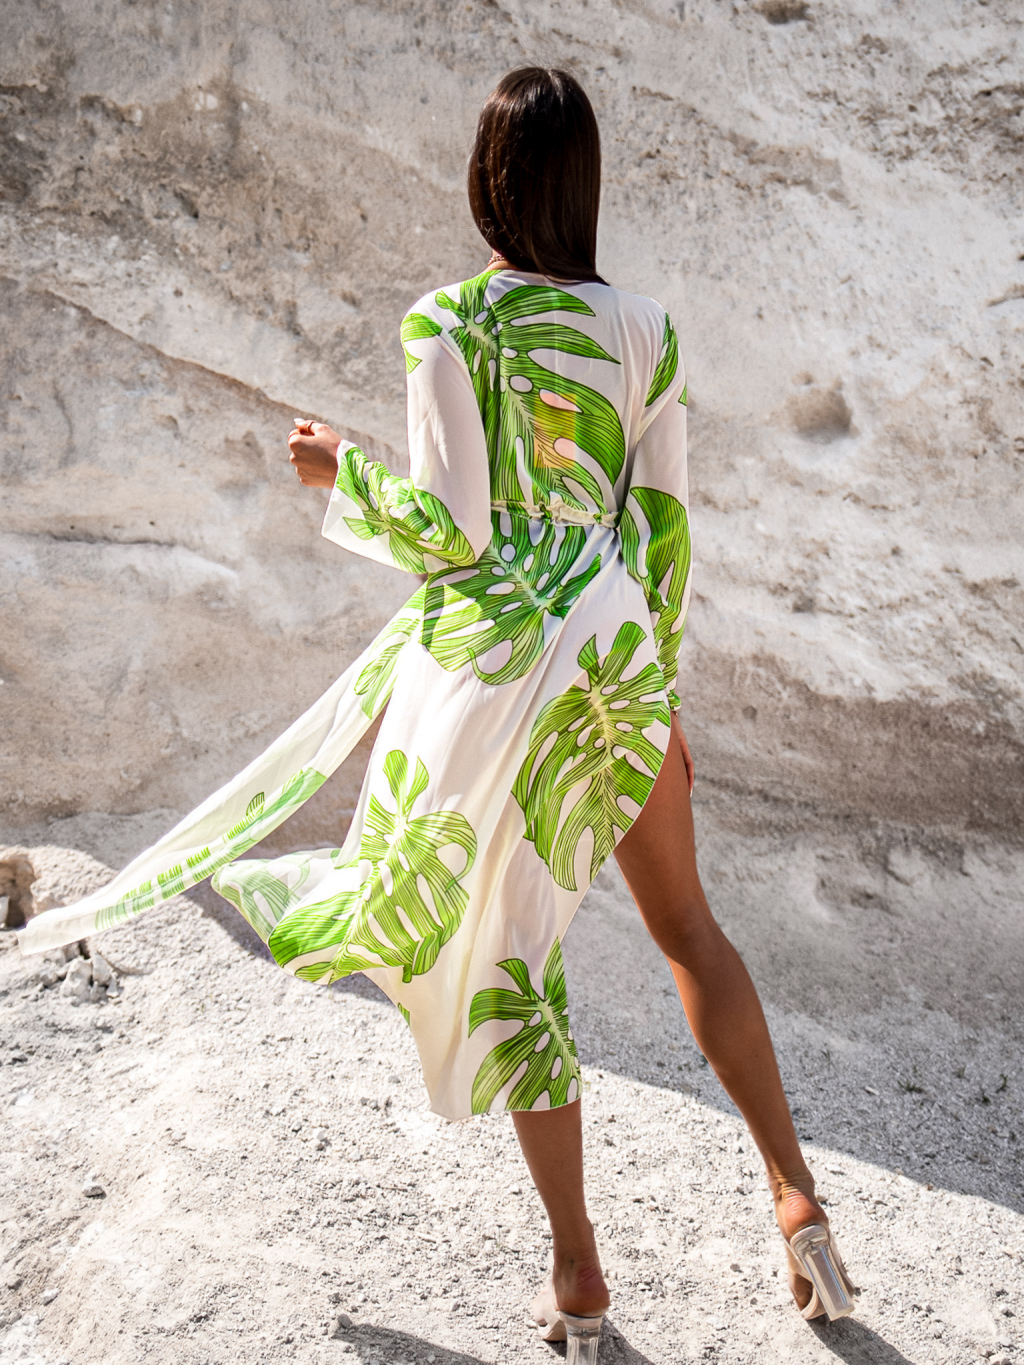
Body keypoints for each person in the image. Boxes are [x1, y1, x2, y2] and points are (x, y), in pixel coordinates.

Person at [20, 66, 854, 1362]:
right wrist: (660, 694)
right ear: (583, 183)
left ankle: (579, 1273)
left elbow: (457, 533)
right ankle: (796, 1196)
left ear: (487, 180)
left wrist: (338, 472)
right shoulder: (649, 330)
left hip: (498, 661)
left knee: (510, 962)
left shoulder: (449, 322)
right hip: (616, 660)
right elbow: (662, 531)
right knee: (690, 925)